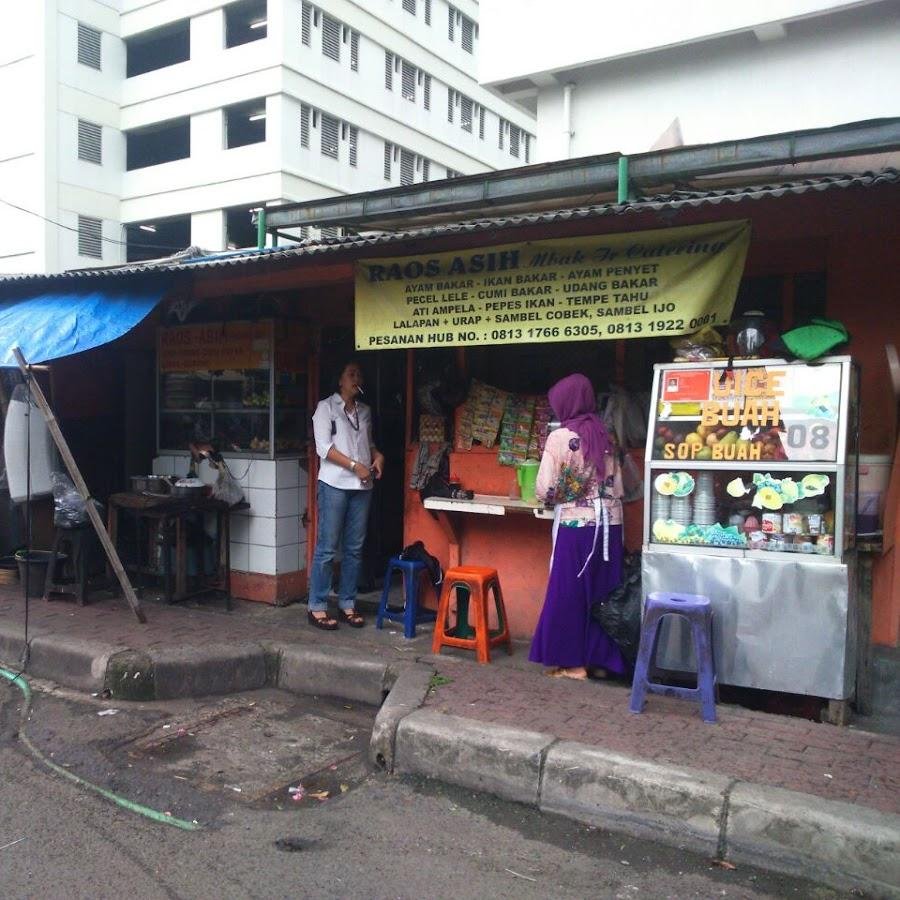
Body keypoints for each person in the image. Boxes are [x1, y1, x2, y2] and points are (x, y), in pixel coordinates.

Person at [529, 373, 628, 680]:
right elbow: (620, 488)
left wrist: (564, 494)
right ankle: (600, 660)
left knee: (568, 592)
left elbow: (544, 488)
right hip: (611, 526)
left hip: (577, 527)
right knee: (604, 593)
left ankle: (572, 665)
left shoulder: (561, 438)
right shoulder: (606, 434)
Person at [308, 361, 385, 630]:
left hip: (362, 487)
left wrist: (377, 456)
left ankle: (347, 603)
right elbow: (324, 448)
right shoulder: (325, 408)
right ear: (339, 380)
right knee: (328, 547)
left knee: (354, 548)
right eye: (351, 373)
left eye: (359, 373)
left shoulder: (364, 411)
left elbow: (367, 443)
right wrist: (355, 466)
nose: (356, 378)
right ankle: (317, 605)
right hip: (334, 484)